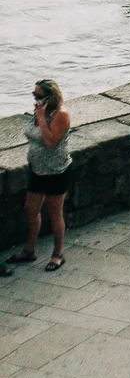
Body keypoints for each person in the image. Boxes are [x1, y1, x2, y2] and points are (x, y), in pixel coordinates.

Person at [6, 79, 71, 272]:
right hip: (37, 169)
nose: (35, 99)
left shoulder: (60, 115)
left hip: (56, 171)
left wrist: (42, 117)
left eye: (39, 96)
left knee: (54, 213)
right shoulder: (37, 112)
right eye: (34, 95)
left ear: (51, 97)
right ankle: (29, 250)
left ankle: (57, 254)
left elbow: (50, 142)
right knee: (30, 209)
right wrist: (39, 115)